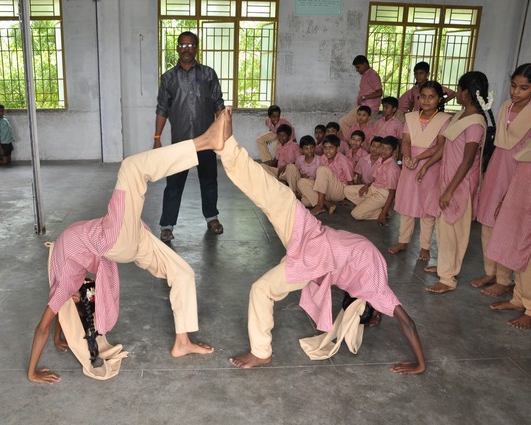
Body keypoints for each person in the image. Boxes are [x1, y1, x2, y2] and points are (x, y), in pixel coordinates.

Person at [212, 109, 424, 374]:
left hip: (312, 246)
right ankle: (226, 146)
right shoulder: (376, 288)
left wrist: (377, 313)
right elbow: (407, 322)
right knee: (270, 195)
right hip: (312, 241)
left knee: (271, 197)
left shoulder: (377, 275)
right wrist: (420, 364)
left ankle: (261, 352)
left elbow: (388, 305)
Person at [27, 119, 224, 385]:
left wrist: (59, 338)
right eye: (77, 300)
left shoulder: (62, 280)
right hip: (115, 238)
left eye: (75, 300)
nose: (76, 296)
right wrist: (32, 372)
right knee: (131, 168)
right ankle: (204, 143)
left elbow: (59, 310)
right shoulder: (65, 285)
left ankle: (182, 341)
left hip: (131, 237)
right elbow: (42, 326)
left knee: (182, 273)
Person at [153, 31, 225, 243]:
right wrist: (157, 138)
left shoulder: (208, 74)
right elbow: (162, 108)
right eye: (183, 45)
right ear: (177, 48)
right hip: (180, 142)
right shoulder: (168, 78)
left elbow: (218, 105)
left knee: (209, 180)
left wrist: (223, 135)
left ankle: (212, 218)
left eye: (191, 45)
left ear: (196, 48)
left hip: (206, 141)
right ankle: (167, 225)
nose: (187, 49)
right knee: (174, 184)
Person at [421, 72, 489, 294]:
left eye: (458, 90)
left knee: (453, 229)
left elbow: (468, 161)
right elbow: (446, 147)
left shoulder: (475, 123)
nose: (456, 93)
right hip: (448, 178)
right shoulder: (461, 114)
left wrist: (450, 190)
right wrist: (427, 165)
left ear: (466, 93)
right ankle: (444, 266)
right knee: (443, 227)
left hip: (460, 184)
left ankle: (448, 278)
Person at [473, 63, 531, 296]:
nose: (516, 92)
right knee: (488, 220)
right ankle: (491, 271)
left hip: (520, 169)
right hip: (498, 165)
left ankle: (505, 279)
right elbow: (499, 141)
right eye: (513, 86)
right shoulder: (506, 106)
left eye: (524, 88)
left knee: (508, 226)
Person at [388, 82, 451, 262]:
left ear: (439, 99)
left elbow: (441, 146)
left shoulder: (444, 119)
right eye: (423, 96)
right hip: (410, 165)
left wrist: (419, 159)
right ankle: (403, 241)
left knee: (427, 206)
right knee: (407, 204)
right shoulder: (411, 117)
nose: (426, 100)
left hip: (430, 165)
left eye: (431, 97)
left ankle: (425, 246)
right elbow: (406, 140)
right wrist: (408, 157)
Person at [486, 136, 531, 329]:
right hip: (520, 197)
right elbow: (519, 171)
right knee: (519, 252)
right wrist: (505, 199)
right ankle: (519, 299)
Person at [344, 136, 400, 225]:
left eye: (388, 149)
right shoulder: (381, 161)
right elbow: (375, 180)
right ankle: (373, 207)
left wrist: (383, 214)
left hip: (383, 194)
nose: (384, 151)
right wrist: (366, 186)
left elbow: (392, 193)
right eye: (382, 147)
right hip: (373, 188)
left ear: (394, 151)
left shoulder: (392, 168)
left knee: (355, 214)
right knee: (347, 190)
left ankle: (382, 212)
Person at [297, 135, 354, 215]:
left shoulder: (343, 160)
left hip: (339, 191)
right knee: (302, 184)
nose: (327, 151)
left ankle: (320, 205)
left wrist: (352, 196)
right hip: (326, 191)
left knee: (322, 169)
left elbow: (350, 180)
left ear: (337, 149)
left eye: (331, 148)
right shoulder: (323, 158)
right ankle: (327, 203)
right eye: (325, 148)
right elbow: (321, 180)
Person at [339, 55, 383, 137]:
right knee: (359, 128)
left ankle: (351, 141)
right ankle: (356, 142)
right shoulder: (365, 75)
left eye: (358, 67)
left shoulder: (373, 75)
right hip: (362, 106)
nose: (357, 70)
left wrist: (364, 97)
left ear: (365, 64)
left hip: (369, 108)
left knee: (343, 122)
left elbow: (379, 93)